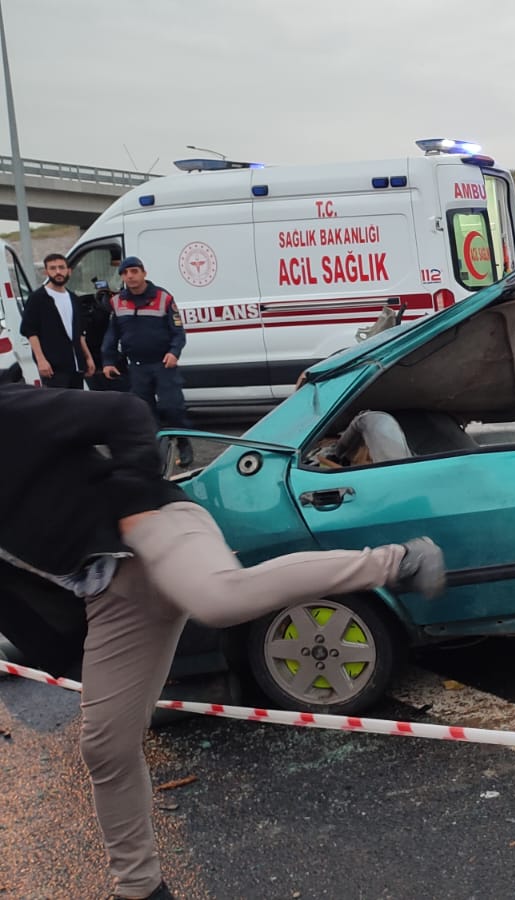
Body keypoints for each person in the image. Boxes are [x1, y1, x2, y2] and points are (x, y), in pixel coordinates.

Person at [0, 383, 445, 900]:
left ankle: (396, 562)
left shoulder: (8, 412)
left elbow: (124, 411)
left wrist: (134, 500)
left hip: (151, 529)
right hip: (109, 594)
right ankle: (140, 890)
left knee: (217, 599)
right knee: (105, 745)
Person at [101, 258, 193, 465]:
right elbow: (111, 335)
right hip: (137, 367)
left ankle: (183, 443)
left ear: (144, 273)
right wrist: (108, 360)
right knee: (144, 412)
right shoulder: (117, 302)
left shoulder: (163, 298)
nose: (130, 276)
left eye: (134, 271)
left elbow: (178, 332)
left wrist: (174, 352)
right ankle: (155, 452)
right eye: (125, 273)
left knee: (173, 408)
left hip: (163, 365)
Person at [20, 253, 97, 389]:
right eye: (53, 268)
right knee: (57, 408)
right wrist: (41, 360)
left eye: (61, 267)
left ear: (69, 271)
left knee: (76, 406)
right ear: (46, 272)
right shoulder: (37, 298)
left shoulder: (73, 299)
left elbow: (79, 333)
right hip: (53, 368)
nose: (58, 272)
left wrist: (88, 357)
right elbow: (30, 331)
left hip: (76, 366)